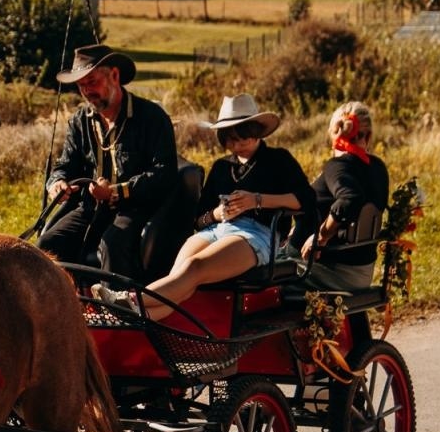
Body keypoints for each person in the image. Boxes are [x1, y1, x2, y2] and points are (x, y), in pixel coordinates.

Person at [94, 94, 314, 320]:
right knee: (179, 277)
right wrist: (217, 214)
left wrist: (256, 200)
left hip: (256, 233)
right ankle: (137, 318)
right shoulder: (221, 167)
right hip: (216, 229)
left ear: (257, 132)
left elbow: (305, 199)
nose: (236, 146)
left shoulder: (278, 160)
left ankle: (128, 299)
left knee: (194, 266)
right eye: (230, 140)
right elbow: (199, 219)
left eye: (243, 139)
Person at [37, 44, 180, 279]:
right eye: (81, 85)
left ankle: (117, 303)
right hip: (91, 207)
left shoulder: (152, 117)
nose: (87, 91)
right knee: (48, 244)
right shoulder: (80, 121)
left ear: (114, 75)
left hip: (136, 207)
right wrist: (57, 183)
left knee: (112, 244)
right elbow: (66, 165)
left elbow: (164, 172)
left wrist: (115, 192)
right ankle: (65, 300)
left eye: (92, 82)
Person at [302, 101, 391, 291]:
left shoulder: (338, 166)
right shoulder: (378, 168)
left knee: (266, 270)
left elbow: (350, 199)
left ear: (334, 133)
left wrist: (321, 237)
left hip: (329, 271)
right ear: (369, 136)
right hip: (363, 272)